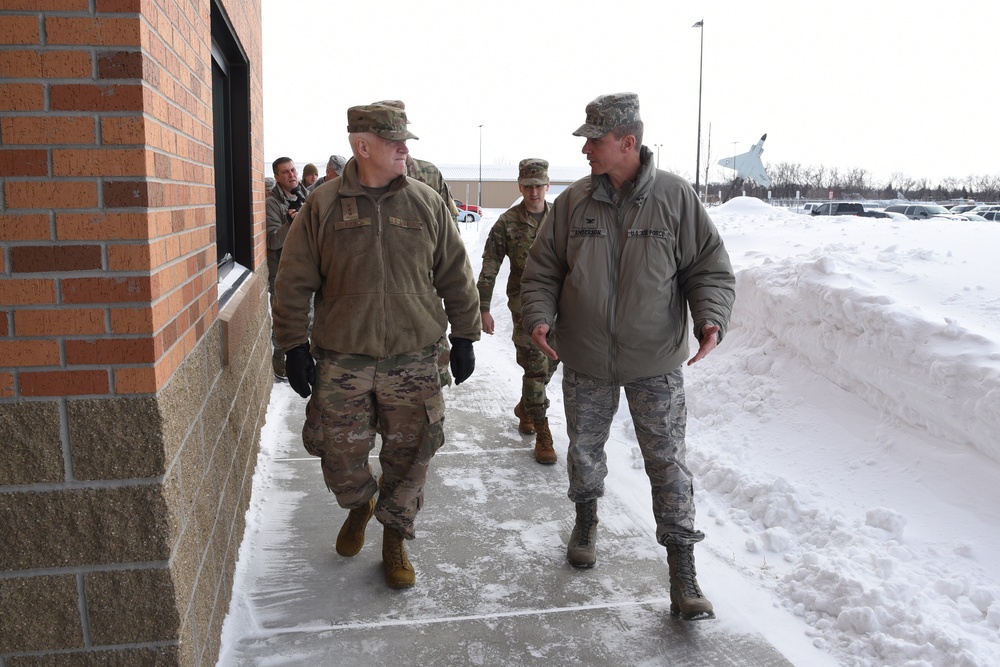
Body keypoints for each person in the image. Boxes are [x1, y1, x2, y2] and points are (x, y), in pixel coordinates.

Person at [520, 93, 735, 621]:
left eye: (595, 138)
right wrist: (539, 315)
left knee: (667, 464)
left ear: (627, 142)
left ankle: (683, 572)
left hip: (655, 361)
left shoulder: (674, 197)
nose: (587, 148)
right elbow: (542, 269)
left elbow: (708, 267)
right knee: (585, 451)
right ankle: (586, 519)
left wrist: (711, 318)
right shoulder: (573, 203)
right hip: (587, 357)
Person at [272, 103, 481, 590]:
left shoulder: (426, 202)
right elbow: (292, 282)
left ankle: (394, 536)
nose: (405, 148)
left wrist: (466, 334)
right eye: (395, 141)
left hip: (414, 357)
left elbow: (455, 272)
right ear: (363, 146)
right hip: (343, 360)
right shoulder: (323, 205)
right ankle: (360, 502)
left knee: (411, 457)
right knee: (337, 454)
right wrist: (293, 344)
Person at [477, 158, 560, 464]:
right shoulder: (508, 222)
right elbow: (490, 265)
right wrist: (483, 307)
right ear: (520, 187)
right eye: (528, 186)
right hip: (524, 306)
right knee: (536, 368)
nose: (534, 192)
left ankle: (527, 406)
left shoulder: (560, 219)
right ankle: (542, 431)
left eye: (539, 186)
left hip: (560, 306)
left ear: (547, 186)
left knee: (552, 363)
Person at [373, 100, 461, 225]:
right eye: (392, 139)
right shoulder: (352, 182)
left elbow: (450, 231)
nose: (403, 148)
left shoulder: (430, 175)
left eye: (403, 137)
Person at [265, 157, 308, 380]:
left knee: (307, 317)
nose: (291, 175)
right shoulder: (272, 204)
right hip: (282, 273)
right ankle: (279, 359)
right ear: (277, 177)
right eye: (285, 172)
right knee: (284, 319)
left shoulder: (306, 197)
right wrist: (290, 223)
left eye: (293, 170)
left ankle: (302, 357)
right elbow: (272, 241)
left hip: (306, 269)